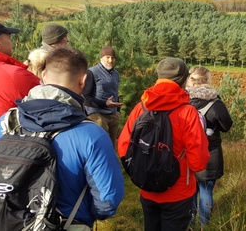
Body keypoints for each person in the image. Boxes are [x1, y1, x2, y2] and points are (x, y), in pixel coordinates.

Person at [0, 48, 125, 230]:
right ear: (83, 80)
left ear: (43, 75)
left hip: (6, 221)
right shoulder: (92, 135)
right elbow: (108, 200)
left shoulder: (4, 123)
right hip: (66, 223)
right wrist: (83, 216)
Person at [117, 57, 210, 231]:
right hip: (179, 191)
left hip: (147, 189)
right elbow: (198, 160)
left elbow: (123, 146)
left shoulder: (141, 108)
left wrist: (142, 170)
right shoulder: (188, 112)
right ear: (183, 80)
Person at [185, 66, 233, 229]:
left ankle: (190, 226)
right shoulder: (215, 103)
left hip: (187, 152)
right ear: (208, 80)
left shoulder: (183, 100)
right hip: (209, 152)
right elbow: (227, 126)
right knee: (206, 191)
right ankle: (204, 227)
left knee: (190, 191)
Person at [0, 20, 40, 125]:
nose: (11, 42)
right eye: (9, 37)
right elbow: (50, 107)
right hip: (3, 139)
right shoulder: (15, 75)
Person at [83, 46, 123, 146]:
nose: (110, 60)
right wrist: (104, 104)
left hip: (113, 115)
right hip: (97, 115)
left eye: (113, 58)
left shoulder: (116, 74)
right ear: (101, 58)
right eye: (107, 57)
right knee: (101, 146)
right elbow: (86, 98)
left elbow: (115, 92)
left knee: (112, 146)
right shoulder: (91, 72)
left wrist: (117, 112)